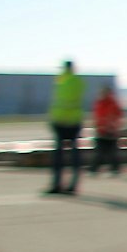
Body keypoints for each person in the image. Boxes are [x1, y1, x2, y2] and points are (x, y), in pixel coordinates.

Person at [46, 61, 86, 195]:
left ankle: (56, 184)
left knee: (59, 156)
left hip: (60, 121)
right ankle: (73, 184)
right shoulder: (77, 81)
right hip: (74, 121)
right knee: (74, 155)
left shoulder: (60, 80)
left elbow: (57, 102)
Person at [90, 86, 124, 176]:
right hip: (102, 131)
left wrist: (112, 126)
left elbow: (116, 116)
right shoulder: (100, 103)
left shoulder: (111, 104)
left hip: (110, 131)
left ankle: (114, 168)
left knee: (111, 153)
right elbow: (97, 116)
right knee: (101, 152)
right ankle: (95, 169)